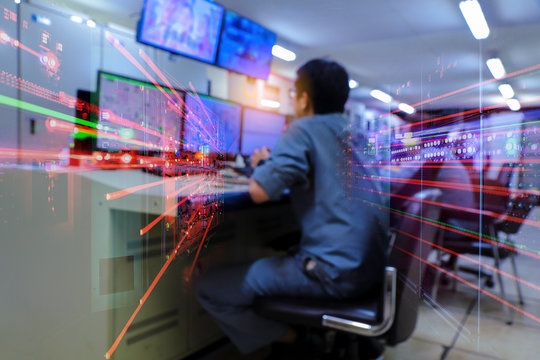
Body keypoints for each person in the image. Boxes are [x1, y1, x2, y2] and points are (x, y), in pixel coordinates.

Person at [196, 59, 388, 358]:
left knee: (210, 287)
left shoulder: (303, 129)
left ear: (304, 98)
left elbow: (260, 192)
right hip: (372, 270)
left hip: (333, 275)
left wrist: (262, 167)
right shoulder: (359, 134)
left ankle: (295, 340)